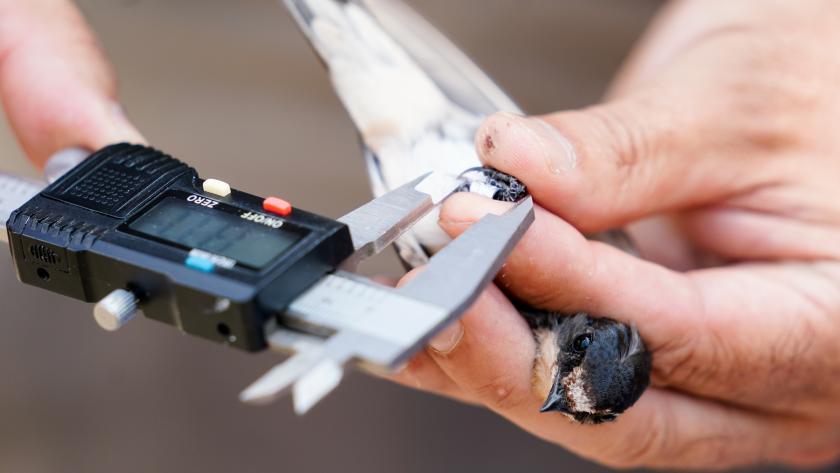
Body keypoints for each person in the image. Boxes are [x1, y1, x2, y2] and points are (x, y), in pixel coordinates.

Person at [2, 0, 839, 470]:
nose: (560, 380)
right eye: (572, 371)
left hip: (635, 155)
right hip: (132, 147)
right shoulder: (605, 257)